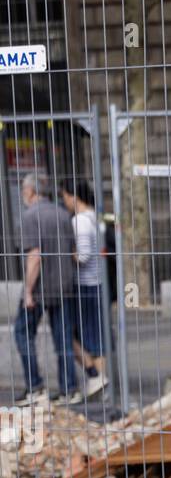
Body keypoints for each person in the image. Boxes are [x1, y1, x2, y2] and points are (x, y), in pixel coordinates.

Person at [14, 170, 79, 403]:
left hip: (41, 288)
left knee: (22, 333)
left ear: (31, 191)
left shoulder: (31, 216)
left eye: (23, 190)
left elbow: (35, 257)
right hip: (64, 285)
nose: (23, 194)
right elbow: (74, 253)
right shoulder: (63, 214)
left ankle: (35, 386)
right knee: (63, 340)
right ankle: (69, 389)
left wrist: (28, 292)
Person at [60, 178, 107, 396]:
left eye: (64, 196)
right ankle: (100, 383)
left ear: (73, 196)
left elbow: (84, 256)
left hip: (84, 285)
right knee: (95, 337)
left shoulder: (80, 221)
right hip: (96, 282)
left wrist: (65, 254)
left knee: (73, 334)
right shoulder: (94, 217)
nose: (64, 201)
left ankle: (96, 377)